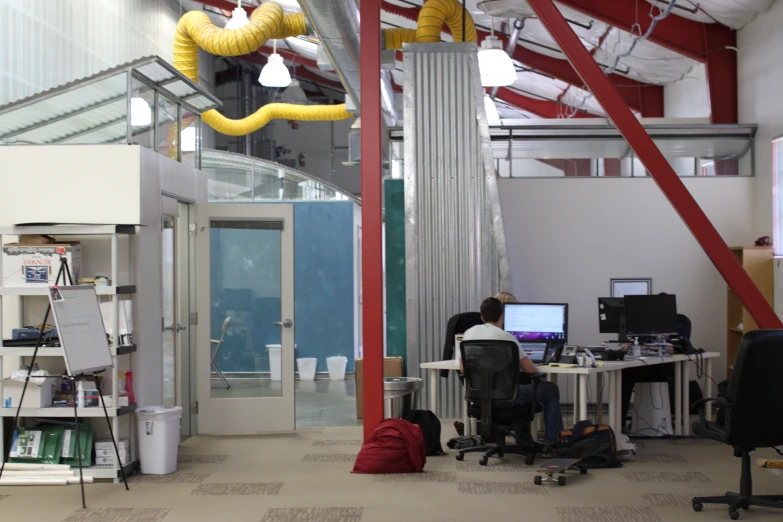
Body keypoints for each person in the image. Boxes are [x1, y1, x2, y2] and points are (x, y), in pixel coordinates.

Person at [461, 297, 564, 445]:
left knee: (520, 382)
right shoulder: (507, 338)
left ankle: (524, 440)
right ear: (502, 316)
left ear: (482, 317)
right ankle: (552, 442)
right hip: (506, 396)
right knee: (551, 389)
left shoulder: (468, 334)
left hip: (478, 396)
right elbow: (529, 370)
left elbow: (463, 369)